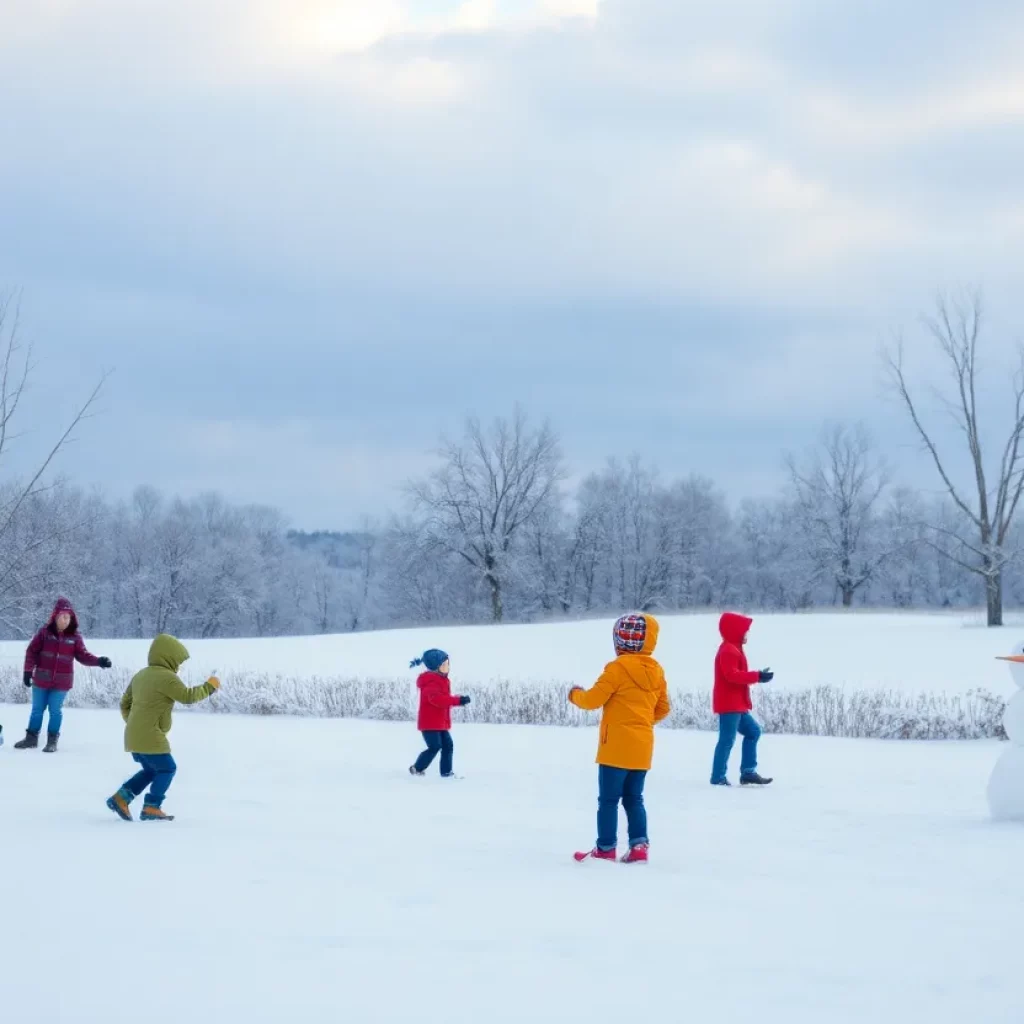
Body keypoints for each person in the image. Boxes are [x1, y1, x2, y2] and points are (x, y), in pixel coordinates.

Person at [570, 612, 671, 864]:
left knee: (608, 800)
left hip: (614, 747)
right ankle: (639, 846)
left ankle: (605, 848)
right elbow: (663, 708)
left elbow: (592, 700)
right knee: (634, 798)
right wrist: (642, 723)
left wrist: (574, 695)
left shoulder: (617, 668)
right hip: (642, 747)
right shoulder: (657, 671)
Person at [106, 633, 220, 821]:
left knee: (151, 771)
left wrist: (135, 723)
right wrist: (209, 687)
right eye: (178, 662)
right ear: (169, 658)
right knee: (168, 768)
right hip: (151, 735)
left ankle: (121, 798)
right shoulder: (167, 677)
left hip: (132, 736)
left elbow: (124, 704)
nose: (179, 666)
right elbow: (188, 697)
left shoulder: (140, 675)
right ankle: (152, 807)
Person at [14, 597, 112, 752]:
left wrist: (99, 661)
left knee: (55, 710)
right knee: (37, 710)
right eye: (63, 616)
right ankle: (31, 739)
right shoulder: (44, 633)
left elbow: (83, 656)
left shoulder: (75, 637)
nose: (66, 620)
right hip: (41, 679)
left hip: (62, 682)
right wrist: (27, 671)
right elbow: (31, 652)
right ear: (55, 616)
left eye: (68, 617)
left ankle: (52, 741)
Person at [711, 612, 773, 786]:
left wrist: (757, 676)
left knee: (753, 732)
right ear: (735, 631)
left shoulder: (734, 648)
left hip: (737, 704)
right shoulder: (728, 650)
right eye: (745, 631)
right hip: (729, 705)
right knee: (727, 740)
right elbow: (732, 675)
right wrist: (757, 676)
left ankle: (748, 772)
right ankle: (718, 777)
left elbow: (737, 674)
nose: (747, 634)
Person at [408, 648, 470, 779]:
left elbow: (443, 698)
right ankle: (417, 768)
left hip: (439, 722)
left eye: (448, 664)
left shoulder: (441, 680)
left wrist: (458, 699)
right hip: (429, 723)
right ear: (435, 667)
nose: (447, 667)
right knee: (435, 746)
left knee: (448, 746)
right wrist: (458, 700)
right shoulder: (431, 681)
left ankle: (446, 773)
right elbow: (438, 700)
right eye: (444, 665)